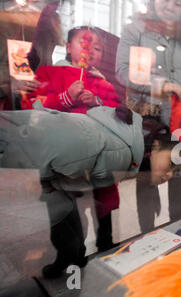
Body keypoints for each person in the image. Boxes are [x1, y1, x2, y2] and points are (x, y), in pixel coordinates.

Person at [0, 106, 143, 278]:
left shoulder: (92, 138)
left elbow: (72, 170)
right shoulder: (113, 141)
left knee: (59, 211)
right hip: (57, 153)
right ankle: (79, 254)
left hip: (52, 150)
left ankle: (74, 254)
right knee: (62, 207)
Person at [24, 26, 121, 252]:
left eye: (96, 48)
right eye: (84, 44)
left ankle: (106, 241)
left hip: (99, 153)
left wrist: (96, 102)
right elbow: (31, 105)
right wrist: (65, 98)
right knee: (64, 203)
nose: (90, 50)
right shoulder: (49, 73)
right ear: (68, 47)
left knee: (104, 196)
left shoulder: (103, 84)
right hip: (62, 152)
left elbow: (118, 113)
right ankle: (70, 254)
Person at [115, 0, 181, 232]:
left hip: (179, 119)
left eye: (177, 3)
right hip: (148, 119)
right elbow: (123, 72)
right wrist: (161, 85)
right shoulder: (135, 30)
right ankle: (147, 234)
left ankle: (179, 230)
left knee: (178, 176)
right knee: (147, 177)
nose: (170, 5)